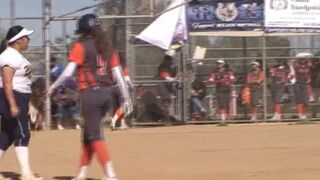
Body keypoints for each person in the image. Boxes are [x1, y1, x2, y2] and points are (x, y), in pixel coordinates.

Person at [47, 14, 132, 180]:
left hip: (90, 94)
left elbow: (68, 72)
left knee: (94, 135)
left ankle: (110, 174)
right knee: (88, 134)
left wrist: (53, 86)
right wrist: (126, 97)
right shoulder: (108, 46)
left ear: (84, 30)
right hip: (107, 93)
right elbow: (118, 74)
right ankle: (82, 172)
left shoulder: (81, 46)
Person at [0, 25, 43, 179]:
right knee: (22, 134)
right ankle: (26, 174)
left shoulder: (17, 56)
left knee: (7, 136)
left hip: (20, 97)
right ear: (18, 40)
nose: (28, 40)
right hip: (13, 96)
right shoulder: (9, 56)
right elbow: (6, 82)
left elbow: (23, 81)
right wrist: (12, 104)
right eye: (26, 37)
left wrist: (29, 104)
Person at [292, 52, 313, 119]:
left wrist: (308, 61)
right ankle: (300, 115)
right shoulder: (296, 65)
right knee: (299, 100)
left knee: (306, 101)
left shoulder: (308, 65)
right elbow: (295, 65)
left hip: (306, 84)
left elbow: (312, 66)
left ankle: (304, 114)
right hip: (298, 83)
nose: (303, 60)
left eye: (304, 59)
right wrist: (296, 60)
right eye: (301, 59)